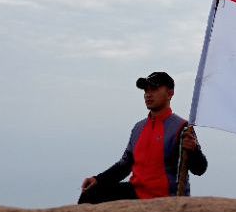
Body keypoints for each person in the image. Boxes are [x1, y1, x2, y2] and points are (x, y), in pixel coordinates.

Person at [78, 71, 208, 204]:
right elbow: (125, 165)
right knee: (90, 194)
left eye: (154, 89)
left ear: (170, 93)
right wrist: (98, 179)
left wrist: (194, 150)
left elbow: (200, 169)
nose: (148, 94)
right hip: (136, 192)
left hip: (166, 197)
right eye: (146, 90)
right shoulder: (138, 128)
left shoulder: (181, 127)